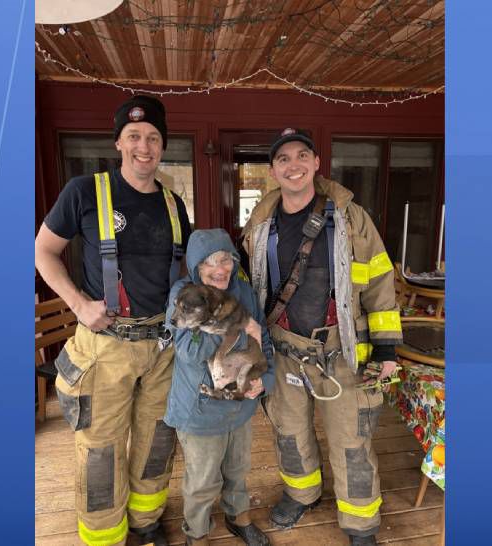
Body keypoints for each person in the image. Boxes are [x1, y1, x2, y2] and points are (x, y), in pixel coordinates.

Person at [35, 95, 191, 546]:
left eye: (154, 138)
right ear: (119, 142)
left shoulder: (173, 204)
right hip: (105, 347)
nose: (145, 146)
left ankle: (145, 521)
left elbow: (180, 272)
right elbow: (42, 250)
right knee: (101, 449)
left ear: (163, 146)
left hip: (161, 347)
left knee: (158, 439)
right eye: (135, 136)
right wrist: (80, 304)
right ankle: (105, 537)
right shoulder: (84, 191)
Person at [240, 129, 402, 545]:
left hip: (342, 351)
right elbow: (246, 285)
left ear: (316, 163)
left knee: (352, 438)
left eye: (301, 156)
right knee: (289, 431)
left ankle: (361, 522)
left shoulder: (351, 217)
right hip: (283, 349)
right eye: (283, 160)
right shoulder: (259, 223)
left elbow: (381, 281)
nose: (293, 165)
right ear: (273, 170)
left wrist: (386, 348)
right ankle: (302, 493)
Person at [163, 229, 276, 546]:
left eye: (226, 259)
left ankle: (238, 517)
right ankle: (196, 535)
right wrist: (230, 318)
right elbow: (189, 353)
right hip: (201, 411)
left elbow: (262, 337)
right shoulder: (184, 296)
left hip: (239, 405)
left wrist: (263, 382)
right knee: (202, 481)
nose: (220, 268)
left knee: (238, 470)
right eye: (211, 262)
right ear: (197, 267)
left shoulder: (244, 291)